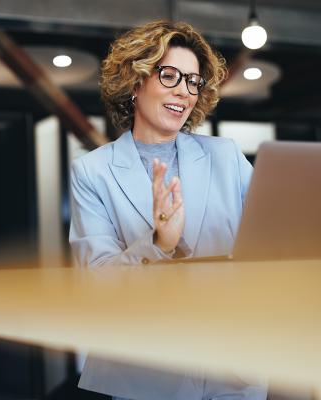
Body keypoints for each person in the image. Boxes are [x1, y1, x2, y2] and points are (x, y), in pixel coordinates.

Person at [70, 20, 267, 400]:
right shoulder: (93, 172)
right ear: (136, 81)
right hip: (147, 373)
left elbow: (267, 239)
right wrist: (159, 243)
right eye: (171, 76)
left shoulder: (225, 155)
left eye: (193, 81)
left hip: (233, 368)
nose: (185, 91)